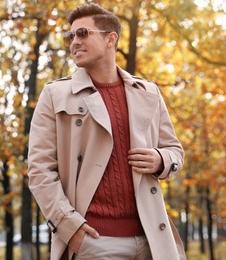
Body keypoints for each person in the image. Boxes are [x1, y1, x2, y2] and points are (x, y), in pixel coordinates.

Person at [27, 3, 185, 260]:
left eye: (83, 34)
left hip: (152, 241)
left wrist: (161, 159)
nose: (73, 42)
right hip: (94, 242)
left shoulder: (148, 92)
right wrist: (70, 228)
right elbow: (40, 170)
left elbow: (174, 150)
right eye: (70, 36)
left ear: (110, 38)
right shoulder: (55, 95)